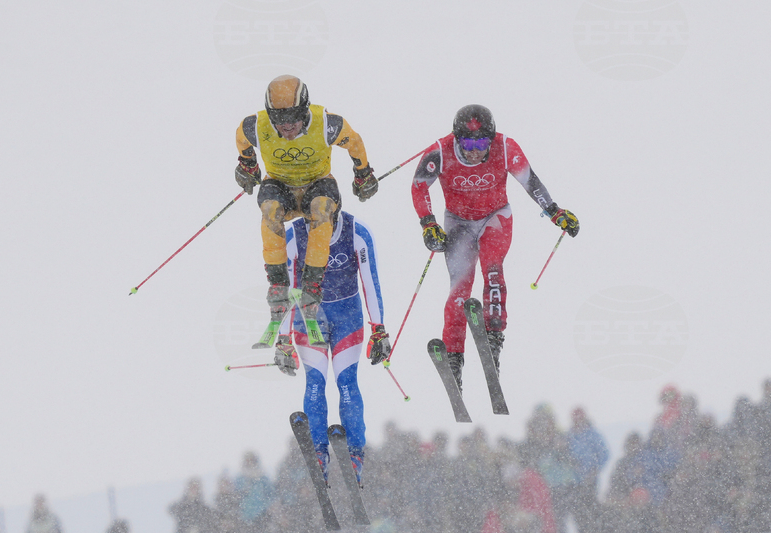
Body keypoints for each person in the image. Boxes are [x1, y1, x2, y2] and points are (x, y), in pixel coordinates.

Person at [409, 104, 579, 389]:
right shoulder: (440, 151)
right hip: (459, 222)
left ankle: (493, 337)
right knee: (460, 288)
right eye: (468, 143)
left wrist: (554, 211)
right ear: (456, 139)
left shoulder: (505, 147)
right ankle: (453, 356)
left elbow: (530, 181)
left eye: (481, 143)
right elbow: (418, 186)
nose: (475, 151)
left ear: (491, 138)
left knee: (492, 269)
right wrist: (428, 224)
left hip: (495, 217)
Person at [235, 75, 379, 345]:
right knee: (270, 209)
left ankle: (312, 285)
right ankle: (278, 284)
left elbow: (355, 143)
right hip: (281, 187)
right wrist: (248, 165)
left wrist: (363, 174)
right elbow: (241, 139)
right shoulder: (255, 126)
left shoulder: (327, 124)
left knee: (321, 210)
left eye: (293, 119)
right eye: (279, 121)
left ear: (304, 111)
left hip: (318, 184)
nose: (286, 127)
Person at [273, 209, 388, 485]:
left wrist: (379, 328)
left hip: (347, 318)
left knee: (346, 382)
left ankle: (355, 456)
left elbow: (370, 283)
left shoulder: (356, 232)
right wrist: (283, 339)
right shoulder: (294, 236)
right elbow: (285, 289)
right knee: (315, 382)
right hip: (308, 319)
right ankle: (319, 453)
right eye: (313, 221)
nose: (318, 227)